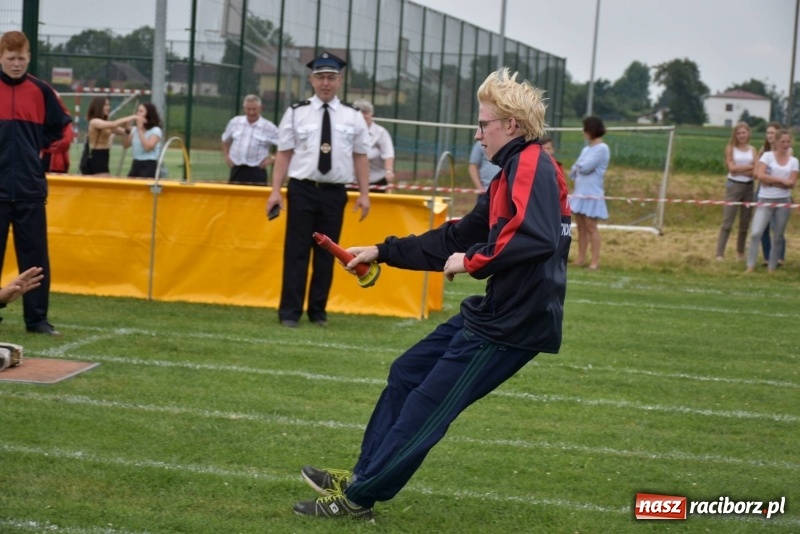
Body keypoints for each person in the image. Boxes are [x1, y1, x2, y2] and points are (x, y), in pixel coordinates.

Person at [291, 67, 571, 521]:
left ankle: (359, 500)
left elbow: (534, 237)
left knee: (428, 406)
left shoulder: (532, 164)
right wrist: (381, 251)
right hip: (495, 311)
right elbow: (455, 236)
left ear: (511, 126)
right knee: (407, 372)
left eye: (484, 124)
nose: (478, 135)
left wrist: (474, 261)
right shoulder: (508, 173)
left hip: (513, 323)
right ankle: (364, 475)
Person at [265, 51, 371, 328]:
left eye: (331, 78)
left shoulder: (352, 116)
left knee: (328, 254)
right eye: (321, 77)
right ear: (312, 80)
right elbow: (284, 153)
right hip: (302, 189)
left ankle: (318, 312)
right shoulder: (296, 112)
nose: (326, 83)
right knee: (296, 252)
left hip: (334, 192)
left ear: (340, 81)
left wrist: (364, 194)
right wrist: (276, 190)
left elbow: (360, 156)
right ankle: (290, 313)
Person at [0, 30, 72, 336]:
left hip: (30, 189)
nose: (16, 64)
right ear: (1, 58)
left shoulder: (41, 91)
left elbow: (64, 129)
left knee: (35, 258)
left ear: (29, 57)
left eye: (21, 58)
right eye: (10, 58)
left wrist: (38, 155)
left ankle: (38, 319)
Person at [746, 128, 798, 272]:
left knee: (778, 235)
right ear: (776, 142)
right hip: (765, 199)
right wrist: (781, 181)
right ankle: (750, 265)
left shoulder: (794, 161)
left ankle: (772, 267)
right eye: (783, 141)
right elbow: (761, 176)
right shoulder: (767, 156)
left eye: (788, 142)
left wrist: (771, 182)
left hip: (784, 200)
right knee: (756, 232)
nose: (785, 144)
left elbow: (792, 183)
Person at [569, 116, 610, 270]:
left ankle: (594, 262)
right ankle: (580, 259)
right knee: (580, 227)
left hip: (592, 193)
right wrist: (579, 167)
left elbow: (585, 167)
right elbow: (575, 169)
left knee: (591, 227)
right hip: (580, 192)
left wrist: (580, 167)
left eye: (585, 128)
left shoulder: (602, 148)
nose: (583, 132)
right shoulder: (587, 149)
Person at [715, 122, 756, 261]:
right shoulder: (731, 148)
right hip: (734, 186)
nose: (741, 136)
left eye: (744, 133)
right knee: (727, 222)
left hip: (749, 187)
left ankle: (740, 252)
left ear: (748, 133)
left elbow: (756, 169)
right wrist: (748, 167)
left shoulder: (752, 150)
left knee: (745, 222)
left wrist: (743, 169)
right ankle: (720, 254)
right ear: (735, 135)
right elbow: (732, 168)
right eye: (739, 133)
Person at [221, 94, 279, 185]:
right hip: (237, 169)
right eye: (249, 109)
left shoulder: (269, 127)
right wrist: (226, 156)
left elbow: (285, 145)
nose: (251, 112)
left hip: (257, 171)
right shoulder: (235, 122)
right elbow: (225, 139)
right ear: (244, 109)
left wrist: (271, 159)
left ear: (260, 108)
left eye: (254, 109)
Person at [757, 122, 789, 266]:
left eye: (773, 133)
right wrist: (765, 180)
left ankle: (779, 257)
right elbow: (757, 173)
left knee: (778, 227)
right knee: (763, 227)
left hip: (780, 193)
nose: (770, 135)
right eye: (768, 133)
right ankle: (767, 256)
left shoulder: (787, 151)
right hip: (763, 192)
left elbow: (788, 179)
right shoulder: (762, 151)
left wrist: (770, 181)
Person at [81, 96, 137, 176]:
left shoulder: (106, 124)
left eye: (108, 105)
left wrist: (128, 129)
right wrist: (132, 117)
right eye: (105, 105)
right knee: (102, 183)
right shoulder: (94, 121)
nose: (108, 107)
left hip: (104, 156)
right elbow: (114, 124)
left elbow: (124, 132)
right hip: (96, 156)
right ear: (99, 107)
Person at [353, 99, 395, 192]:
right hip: (351, 181)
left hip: (376, 182)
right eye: (359, 112)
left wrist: (389, 171)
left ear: (371, 114)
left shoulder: (381, 132)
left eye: (365, 112)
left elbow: (388, 153)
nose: (362, 115)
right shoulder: (347, 130)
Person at [122, 102, 163, 178]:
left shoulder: (155, 130)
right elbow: (126, 145)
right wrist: (127, 130)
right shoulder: (135, 130)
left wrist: (140, 130)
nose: (137, 113)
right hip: (136, 163)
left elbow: (148, 147)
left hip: (149, 165)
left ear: (148, 114)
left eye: (141, 111)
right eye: (138, 111)